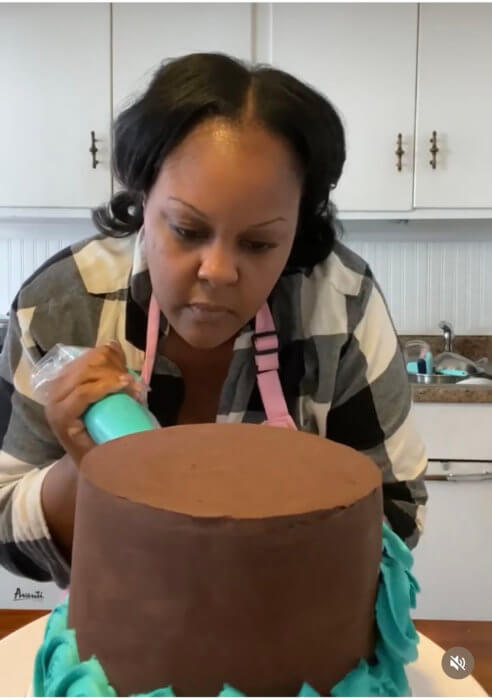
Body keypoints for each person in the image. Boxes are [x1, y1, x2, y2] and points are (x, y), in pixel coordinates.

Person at [0, 53, 427, 589]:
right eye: (185, 230)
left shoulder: (340, 303)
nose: (219, 272)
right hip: (124, 641)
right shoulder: (63, 306)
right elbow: (7, 529)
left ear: (298, 227)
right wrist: (82, 465)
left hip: (291, 630)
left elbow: (398, 511)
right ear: (141, 198)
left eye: (259, 243)